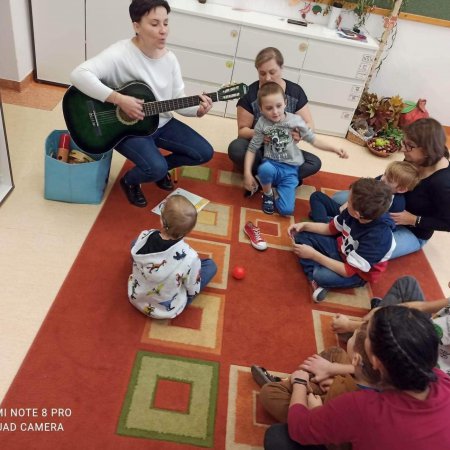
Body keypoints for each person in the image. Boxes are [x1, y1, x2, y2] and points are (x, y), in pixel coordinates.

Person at [70, 0, 214, 208]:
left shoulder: (170, 59)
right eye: (154, 24)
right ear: (136, 26)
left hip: (161, 123)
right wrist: (119, 99)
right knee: (155, 167)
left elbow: (177, 100)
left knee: (203, 152)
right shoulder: (119, 54)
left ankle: (159, 168)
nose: (163, 30)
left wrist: (199, 110)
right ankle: (130, 181)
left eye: (166, 23)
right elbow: (78, 75)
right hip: (124, 128)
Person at [264, 306, 450, 450]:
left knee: (277, 437)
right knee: (335, 356)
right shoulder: (441, 378)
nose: (362, 331)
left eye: (367, 333)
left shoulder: (362, 407)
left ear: (375, 361)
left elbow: (299, 429)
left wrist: (299, 384)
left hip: (342, 422)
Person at [332, 118, 450, 258]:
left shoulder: (443, 183)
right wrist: (354, 199)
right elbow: (389, 177)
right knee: (338, 199)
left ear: (426, 151)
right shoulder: (414, 157)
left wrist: (414, 220)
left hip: (412, 230)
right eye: (404, 143)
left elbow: (447, 223)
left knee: (367, 249)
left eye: (409, 146)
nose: (403, 149)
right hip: (386, 204)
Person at [244, 82, 348, 216]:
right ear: (261, 108)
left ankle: (273, 187)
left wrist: (334, 149)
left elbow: (314, 140)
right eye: (269, 108)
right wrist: (247, 173)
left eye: (279, 106)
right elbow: (252, 149)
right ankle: (268, 193)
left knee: (286, 210)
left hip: (290, 170)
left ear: (285, 103)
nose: (275, 112)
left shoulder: (296, 121)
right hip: (272, 164)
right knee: (265, 168)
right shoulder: (262, 123)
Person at [227, 47, 322, 194]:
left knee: (314, 163)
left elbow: (310, 125)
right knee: (236, 148)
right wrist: (261, 134)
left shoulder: (295, 92)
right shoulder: (249, 95)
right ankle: (281, 177)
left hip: (283, 152)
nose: (267, 78)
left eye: (272, 72)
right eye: (262, 73)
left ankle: (262, 178)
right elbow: (242, 131)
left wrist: (300, 133)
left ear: (282, 68)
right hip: (258, 149)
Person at [288, 178, 395, 302]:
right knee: (301, 234)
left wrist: (313, 255)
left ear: (357, 214)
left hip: (357, 273)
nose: (345, 203)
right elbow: (330, 229)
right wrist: (305, 226)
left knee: (320, 276)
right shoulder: (352, 213)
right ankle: (319, 272)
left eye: (348, 201)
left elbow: (348, 271)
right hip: (341, 249)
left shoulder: (379, 238)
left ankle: (314, 278)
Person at [252, 323, 379, 427]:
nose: (349, 339)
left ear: (356, 359)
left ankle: (294, 386)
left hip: (324, 414)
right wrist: (333, 371)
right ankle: (299, 382)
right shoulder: (388, 376)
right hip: (350, 385)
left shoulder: (350, 403)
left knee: (269, 393)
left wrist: (301, 387)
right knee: (336, 352)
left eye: (352, 337)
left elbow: (326, 426)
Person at [331, 276, 450, 377]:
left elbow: (401, 333)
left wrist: (350, 325)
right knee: (408, 283)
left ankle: (364, 337)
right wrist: (385, 310)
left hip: (424, 366)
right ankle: (366, 330)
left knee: (349, 337)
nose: (448, 284)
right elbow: (424, 307)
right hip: (427, 338)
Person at [128, 194, 217, 319]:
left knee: (135, 242)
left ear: (161, 220)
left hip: (136, 297)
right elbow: (193, 289)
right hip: (166, 310)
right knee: (211, 266)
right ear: (189, 231)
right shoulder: (191, 257)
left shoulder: (145, 234)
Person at [309, 161, 419, 223]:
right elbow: (358, 191)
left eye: (389, 180)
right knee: (317, 196)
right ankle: (324, 220)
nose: (383, 178)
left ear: (401, 189)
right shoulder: (379, 180)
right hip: (347, 211)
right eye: (384, 174)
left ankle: (323, 221)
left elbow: (384, 225)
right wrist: (346, 205)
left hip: (355, 223)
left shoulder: (397, 205)